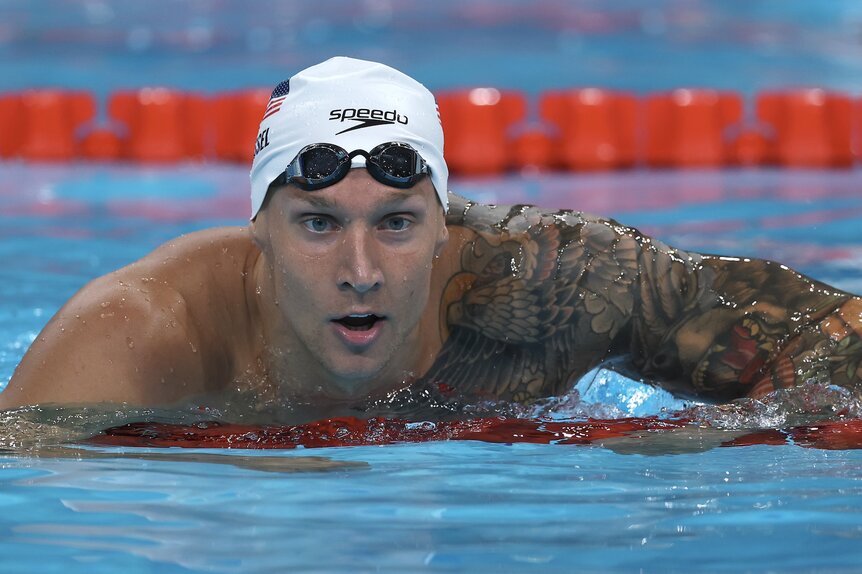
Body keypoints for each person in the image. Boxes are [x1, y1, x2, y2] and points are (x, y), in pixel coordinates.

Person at [2, 56, 862, 420]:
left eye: (398, 223)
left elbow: (829, 352)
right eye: (317, 224)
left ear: (444, 227)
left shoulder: (557, 284)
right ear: (256, 231)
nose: (362, 270)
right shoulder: (141, 336)